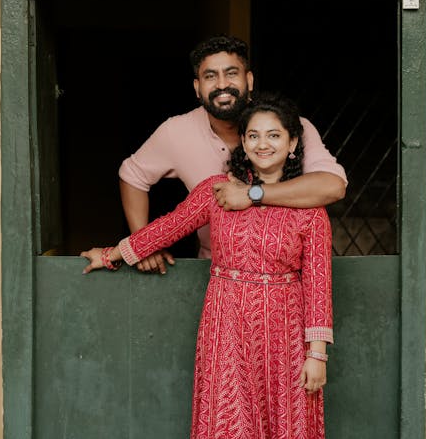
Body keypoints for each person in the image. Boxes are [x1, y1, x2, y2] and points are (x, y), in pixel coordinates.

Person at [82, 93, 333, 439]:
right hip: (226, 322)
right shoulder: (217, 191)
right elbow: (168, 228)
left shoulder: (310, 209)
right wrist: (112, 255)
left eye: (274, 135)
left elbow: (319, 282)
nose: (263, 144)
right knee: (227, 421)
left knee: (287, 421)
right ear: (243, 143)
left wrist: (318, 355)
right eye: (253, 136)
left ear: (293, 142)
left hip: (285, 329)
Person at [119, 35, 346, 273]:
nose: (221, 84)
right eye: (210, 76)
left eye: (231, 73)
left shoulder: (287, 126)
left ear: (249, 79)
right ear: (197, 87)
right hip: (214, 275)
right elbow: (132, 176)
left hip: (289, 277)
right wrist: (143, 244)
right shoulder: (175, 132)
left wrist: (253, 194)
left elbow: (333, 186)